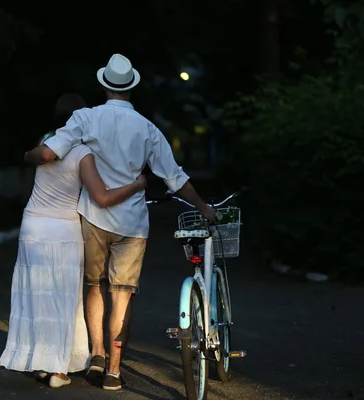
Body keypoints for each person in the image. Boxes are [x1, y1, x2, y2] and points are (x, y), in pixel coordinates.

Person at [24, 54, 215, 391]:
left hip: (93, 218)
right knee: (122, 295)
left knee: (95, 286)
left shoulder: (85, 118)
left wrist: (31, 155)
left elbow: (51, 151)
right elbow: (174, 177)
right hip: (131, 224)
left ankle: (96, 354)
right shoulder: (148, 129)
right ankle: (113, 371)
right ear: (131, 88)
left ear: (104, 85)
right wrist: (202, 205)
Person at [0, 93, 147, 389]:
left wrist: (29, 153)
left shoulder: (45, 141)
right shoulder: (83, 154)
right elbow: (102, 198)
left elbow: (38, 156)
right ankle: (58, 370)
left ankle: (38, 361)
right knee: (63, 298)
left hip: (33, 225)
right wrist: (137, 185)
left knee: (37, 294)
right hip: (64, 229)